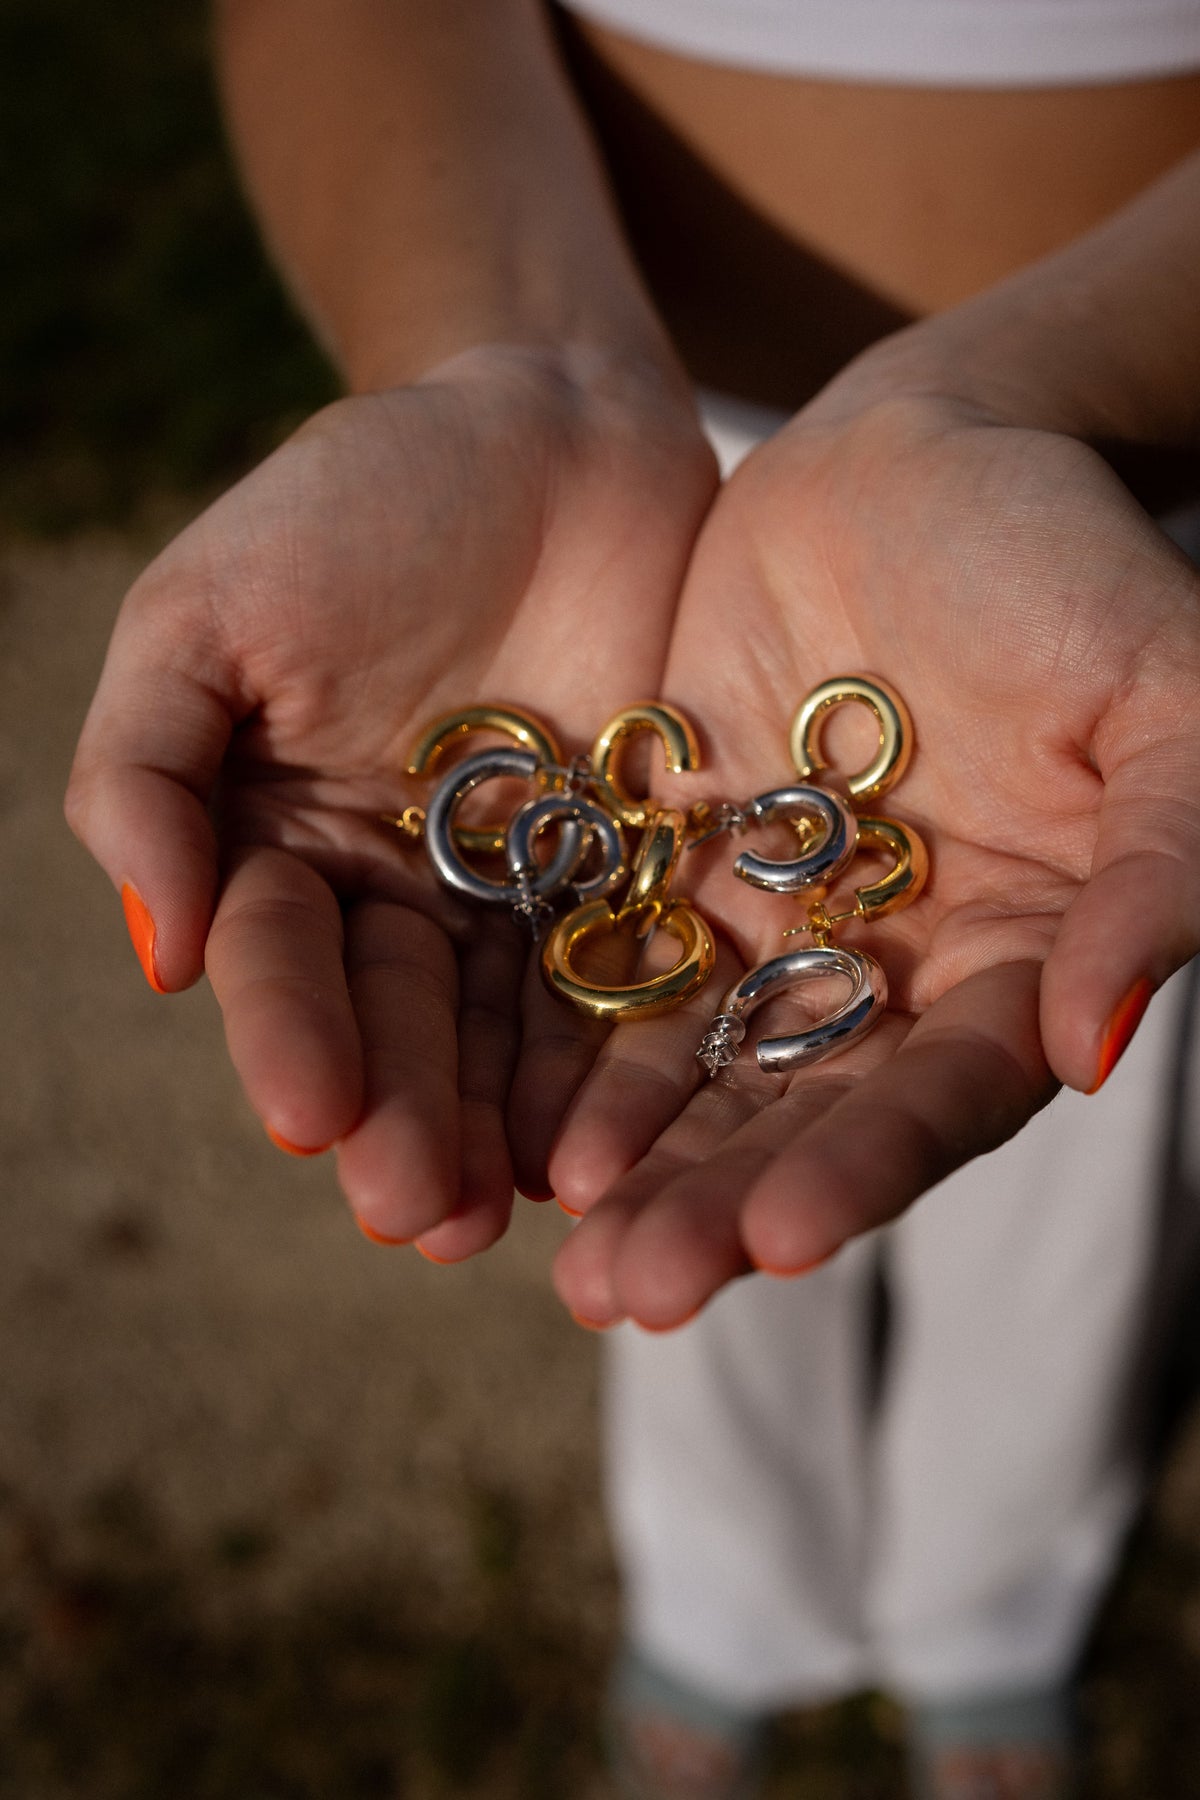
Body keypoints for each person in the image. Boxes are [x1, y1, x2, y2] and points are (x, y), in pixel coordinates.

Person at [64, 2, 1200, 1794]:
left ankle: (996, 1612)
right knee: (659, 1171)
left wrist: (1027, 386)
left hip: (1078, 579)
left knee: (1073, 1192)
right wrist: (498, 361)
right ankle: (722, 1601)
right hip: (630, 505)